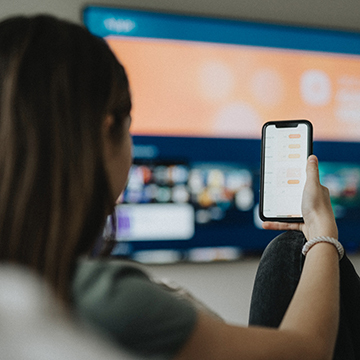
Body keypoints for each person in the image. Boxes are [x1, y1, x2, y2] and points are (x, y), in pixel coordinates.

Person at [0, 14, 355, 360]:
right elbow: (305, 352)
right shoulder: (108, 298)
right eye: (129, 126)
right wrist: (324, 234)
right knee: (291, 250)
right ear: (104, 134)